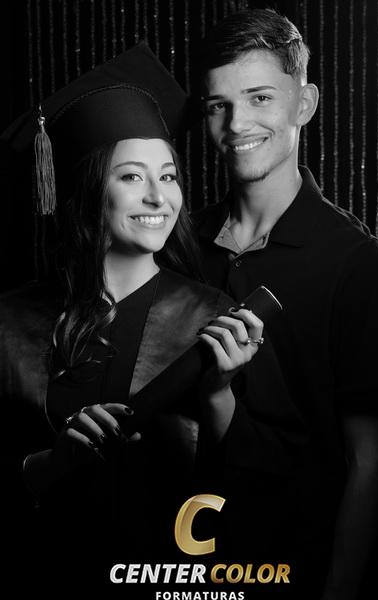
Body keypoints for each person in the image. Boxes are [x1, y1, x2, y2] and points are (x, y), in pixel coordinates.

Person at [0, 42, 266, 592]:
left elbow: (249, 493)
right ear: (88, 188)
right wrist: (48, 464)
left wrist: (219, 393)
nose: (158, 197)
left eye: (167, 177)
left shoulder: (212, 317)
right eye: (130, 177)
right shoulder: (9, 322)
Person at [192, 8, 378, 600]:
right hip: (193, 558)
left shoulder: (353, 258)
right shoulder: (182, 244)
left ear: (304, 104)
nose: (237, 123)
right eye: (218, 105)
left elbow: (370, 460)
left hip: (297, 562)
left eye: (260, 98)